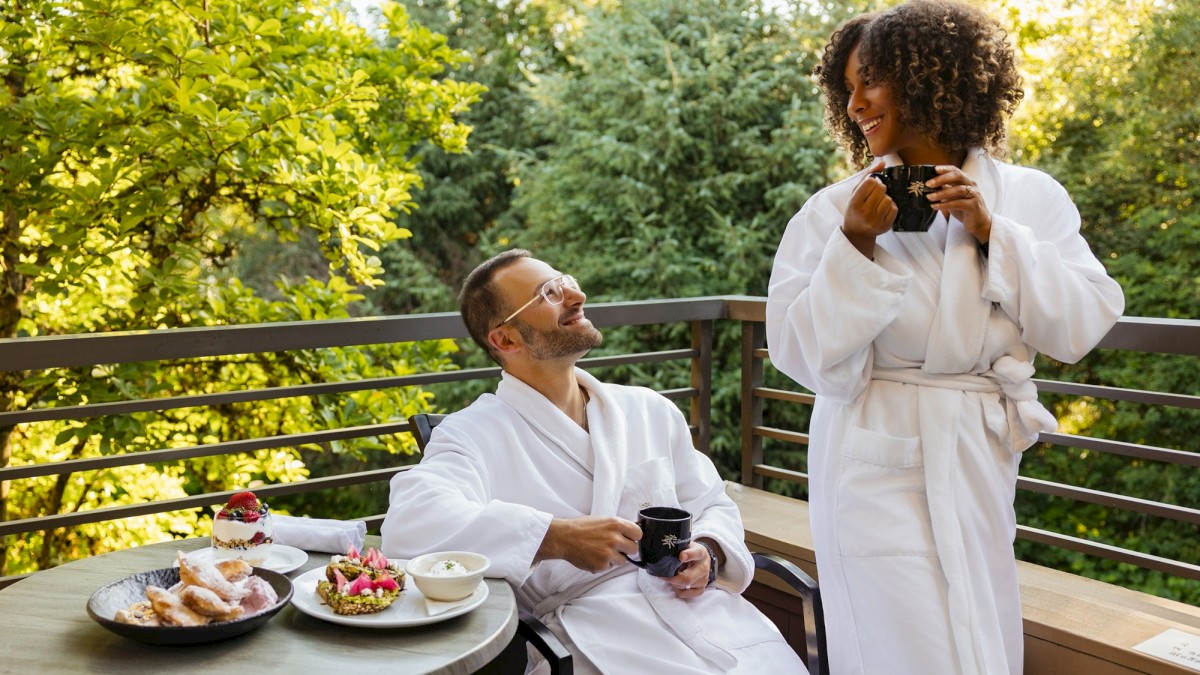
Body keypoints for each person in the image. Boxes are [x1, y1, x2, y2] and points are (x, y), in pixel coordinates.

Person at [765, 2, 1125, 674]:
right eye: (845, 90)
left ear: (931, 79)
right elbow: (796, 350)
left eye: (869, 81)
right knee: (903, 646)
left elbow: (1083, 320)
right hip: (871, 459)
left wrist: (995, 232)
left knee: (976, 635)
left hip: (975, 457)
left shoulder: (1030, 199)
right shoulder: (832, 212)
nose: (855, 104)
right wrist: (854, 244)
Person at [381, 250, 806, 674]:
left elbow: (712, 502)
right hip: (592, 638)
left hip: (708, 615)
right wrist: (554, 537)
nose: (576, 294)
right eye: (548, 293)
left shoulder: (648, 409)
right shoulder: (472, 433)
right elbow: (410, 522)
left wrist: (709, 553)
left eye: (564, 279)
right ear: (506, 340)